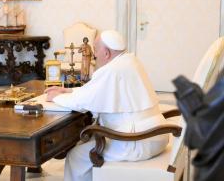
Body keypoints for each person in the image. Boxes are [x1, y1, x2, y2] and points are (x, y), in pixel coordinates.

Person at [45, 30, 169, 181]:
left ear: (107, 52)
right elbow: (96, 91)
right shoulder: (129, 61)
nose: (94, 55)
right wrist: (68, 90)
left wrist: (57, 97)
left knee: (76, 156)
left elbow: (81, 102)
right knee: (87, 143)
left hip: (136, 141)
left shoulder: (112, 70)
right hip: (156, 135)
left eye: (96, 50)